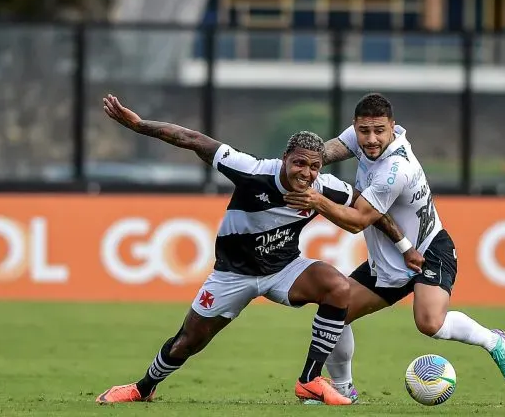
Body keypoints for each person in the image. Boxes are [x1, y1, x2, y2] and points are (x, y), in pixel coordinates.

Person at [93, 95, 410, 406]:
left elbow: (370, 211)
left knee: (338, 288)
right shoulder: (252, 171)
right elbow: (191, 138)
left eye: (314, 167)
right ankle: (143, 388)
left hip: (284, 271)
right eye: (299, 163)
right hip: (232, 275)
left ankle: (309, 380)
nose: (306, 173)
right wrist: (139, 125)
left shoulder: (323, 188)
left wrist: (404, 245)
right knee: (187, 342)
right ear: (285, 158)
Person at [283, 93, 505, 403]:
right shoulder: (361, 137)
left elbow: (358, 221)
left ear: (393, 128)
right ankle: (343, 389)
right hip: (390, 258)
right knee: (334, 312)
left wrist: (317, 199)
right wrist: (296, 164)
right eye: (363, 131)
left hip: (429, 250)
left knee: (429, 323)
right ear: (355, 126)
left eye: (378, 131)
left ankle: (494, 341)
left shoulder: (395, 169)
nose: (370, 139)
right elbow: (324, 153)